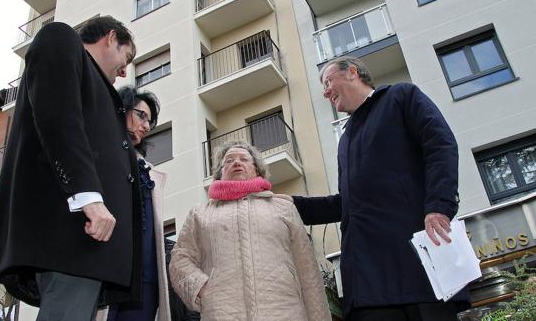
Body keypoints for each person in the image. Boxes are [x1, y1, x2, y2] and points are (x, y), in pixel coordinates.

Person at [0, 16, 141, 321]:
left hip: (86, 243)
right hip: (74, 233)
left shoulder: (98, 87)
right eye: (126, 56)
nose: (124, 70)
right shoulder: (60, 38)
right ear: (110, 37)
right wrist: (89, 197)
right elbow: (59, 119)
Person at [292, 56, 468, 321]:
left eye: (328, 81)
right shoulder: (345, 141)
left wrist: (438, 206)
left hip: (416, 262)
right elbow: (347, 203)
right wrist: (284, 204)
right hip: (368, 281)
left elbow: (440, 145)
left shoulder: (401, 96)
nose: (326, 92)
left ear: (352, 72)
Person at [169, 141, 331, 321]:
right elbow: (180, 258)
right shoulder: (200, 214)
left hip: (286, 312)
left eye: (244, 159)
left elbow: (308, 271)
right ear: (220, 174)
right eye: (229, 161)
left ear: (257, 170)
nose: (236, 163)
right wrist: (201, 288)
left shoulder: (283, 207)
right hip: (222, 314)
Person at [104, 86, 171, 321]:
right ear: (120, 108)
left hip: (145, 279)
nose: (145, 126)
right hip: (107, 270)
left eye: (149, 123)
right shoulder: (96, 152)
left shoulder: (147, 170)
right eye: (141, 115)